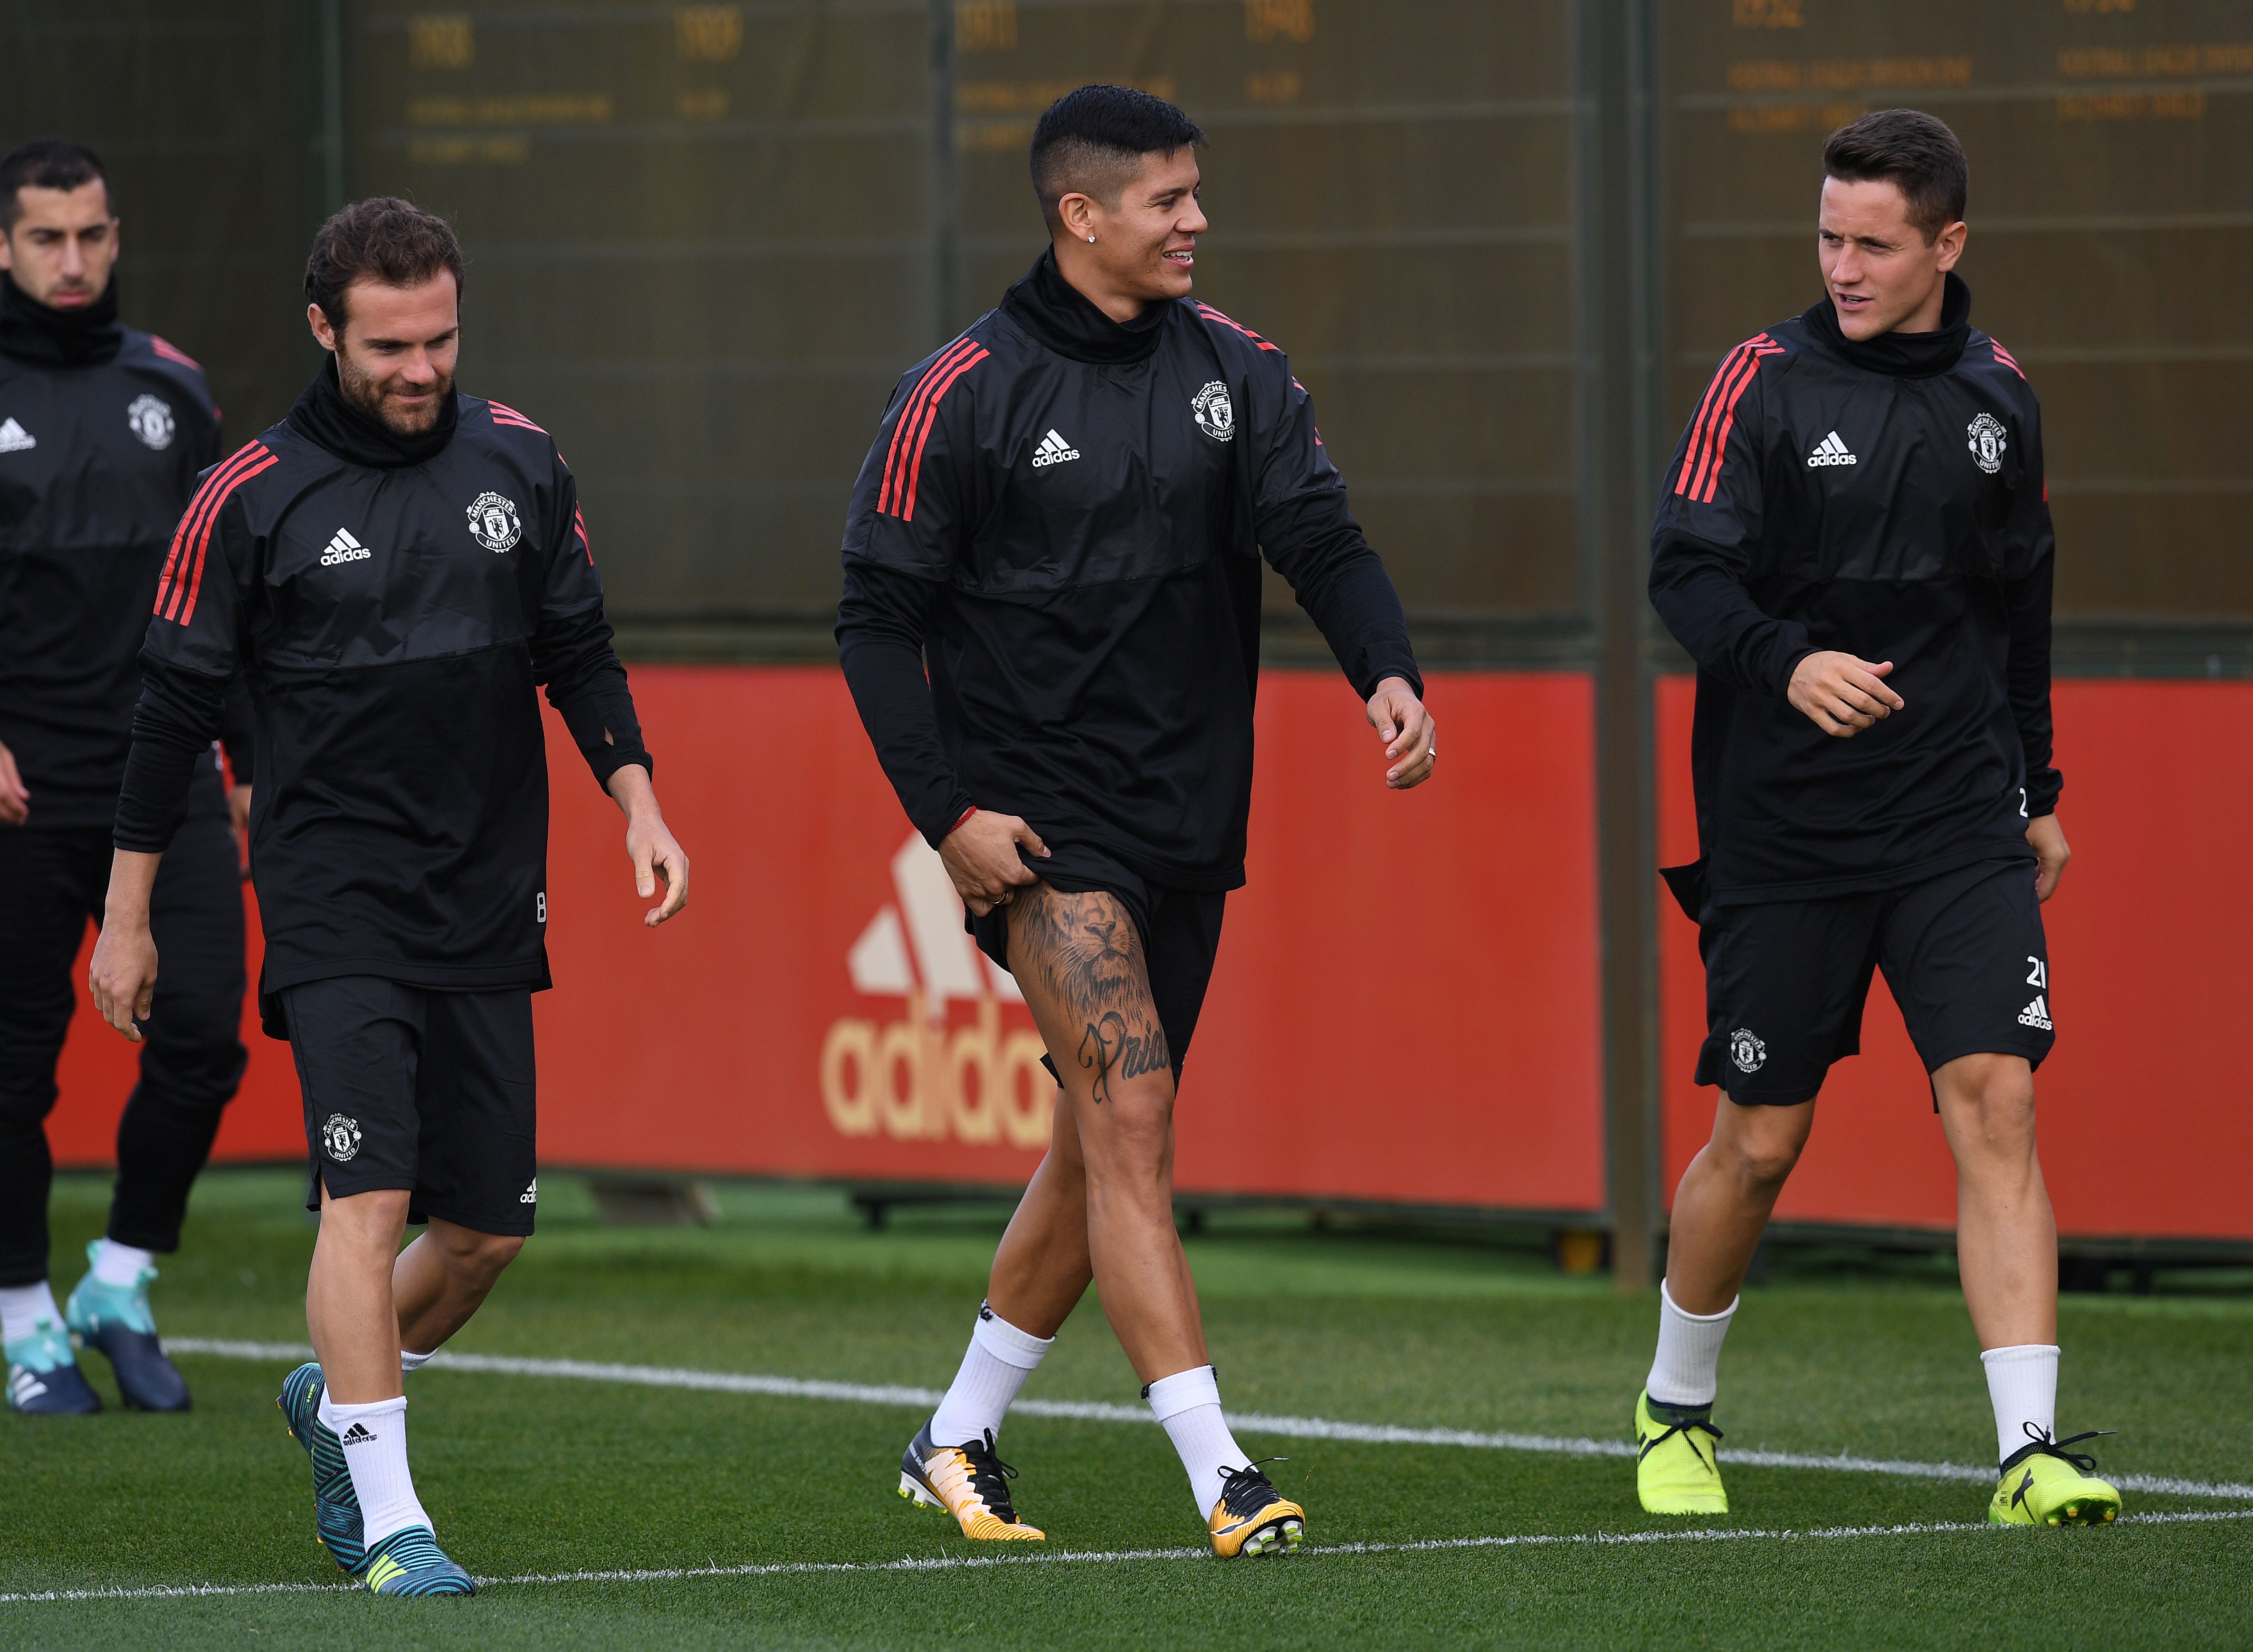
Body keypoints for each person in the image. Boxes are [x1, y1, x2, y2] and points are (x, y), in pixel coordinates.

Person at [837, 85, 1434, 1559]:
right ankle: (1220, 1472)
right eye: (1167, 200)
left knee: (1100, 1145)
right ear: (1078, 215)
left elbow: (1322, 538)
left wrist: (1390, 672)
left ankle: (956, 1435)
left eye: (1194, 195)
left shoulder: (1237, 367)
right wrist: (946, 819)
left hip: (1184, 825)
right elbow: (871, 620)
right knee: (1135, 1114)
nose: (1195, 222)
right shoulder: (963, 390)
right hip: (1037, 837)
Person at [87, 198, 690, 1595]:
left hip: (486, 892)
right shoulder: (248, 498)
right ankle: (394, 1520)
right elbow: (169, 716)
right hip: (331, 891)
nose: (420, 369)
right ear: (323, 331)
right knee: (367, 1199)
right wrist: (126, 917)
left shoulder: (523, 461)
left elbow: (579, 651)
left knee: (481, 1238)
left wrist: (639, 801)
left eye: (439, 339)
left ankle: (338, 1403)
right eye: (388, 346)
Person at [1642, 109, 2118, 1528]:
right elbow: (1683, 576)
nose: (1842, 266)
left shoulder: (1997, 394)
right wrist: (1787, 660)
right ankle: (1676, 1410)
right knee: (1762, 1140)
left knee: (1996, 1100)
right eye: (1827, 238)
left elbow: (2016, 609)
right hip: (1782, 824)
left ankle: (2028, 1450)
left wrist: (2036, 790)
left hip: (1954, 817)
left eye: (1873, 243)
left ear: (1945, 246)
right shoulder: (1760, 381)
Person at [0, 138, 251, 1416]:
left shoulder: (175, 387)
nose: (72, 261)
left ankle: (121, 1282)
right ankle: (30, 1328)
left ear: (116, 234)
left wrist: (242, 754)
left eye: (91, 235)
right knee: (10, 1073)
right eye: (46, 239)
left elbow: (224, 593)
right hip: (10, 786)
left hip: (166, 773)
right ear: (0, 247)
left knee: (202, 1031)